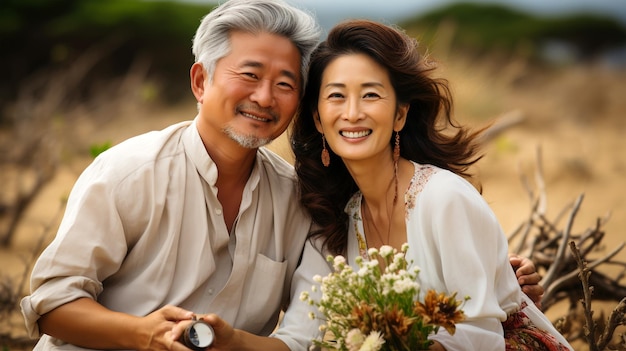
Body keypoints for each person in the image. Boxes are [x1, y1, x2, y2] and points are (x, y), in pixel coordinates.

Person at [20, 1, 543, 350]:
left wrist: (492, 277)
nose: (265, 97)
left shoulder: (298, 199)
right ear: (201, 80)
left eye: (286, 82)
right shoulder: (129, 172)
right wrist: (142, 335)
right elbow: (51, 302)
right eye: (249, 75)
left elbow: (303, 338)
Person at [290, 19, 573, 350]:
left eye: (370, 94)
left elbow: (477, 335)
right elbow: (301, 331)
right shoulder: (343, 218)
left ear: (400, 114)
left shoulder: (443, 198)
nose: (352, 113)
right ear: (317, 118)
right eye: (336, 95)